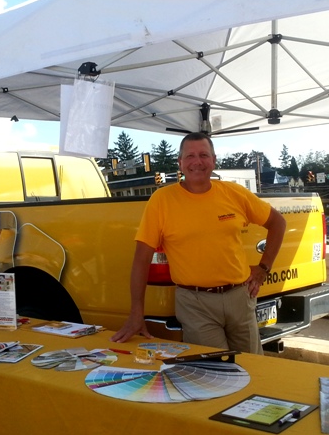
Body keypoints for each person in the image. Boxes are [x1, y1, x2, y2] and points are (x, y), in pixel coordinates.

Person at [111, 132, 286, 354]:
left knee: (252, 364)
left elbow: (278, 223)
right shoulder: (162, 200)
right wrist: (136, 312)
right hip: (195, 304)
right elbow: (141, 259)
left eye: (204, 155)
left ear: (213, 160)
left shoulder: (234, 193)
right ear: (180, 162)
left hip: (240, 298)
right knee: (213, 368)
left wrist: (264, 268)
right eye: (190, 156)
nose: (197, 162)